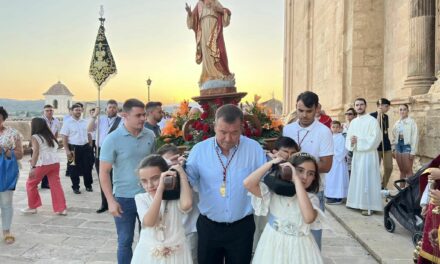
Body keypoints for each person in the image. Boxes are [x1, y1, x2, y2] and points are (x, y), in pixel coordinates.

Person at [185, 104, 267, 264]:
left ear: (242, 128)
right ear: (214, 126)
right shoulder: (199, 150)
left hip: (241, 228)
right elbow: (189, 180)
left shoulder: (254, 149)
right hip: (209, 227)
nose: (228, 139)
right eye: (223, 132)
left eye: (234, 132)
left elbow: (264, 182)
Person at [99, 99, 156, 264]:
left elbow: (154, 163)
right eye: (138, 115)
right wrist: (110, 201)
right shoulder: (112, 139)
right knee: (125, 241)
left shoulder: (150, 135)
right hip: (124, 198)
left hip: (149, 196)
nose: (143, 118)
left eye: (144, 114)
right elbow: (104, 172)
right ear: (124, 115)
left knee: (150, 239)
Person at [243, 153, 324, 264]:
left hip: (300, 249)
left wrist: (296, 179)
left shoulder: (311, 199)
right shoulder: (273, 193)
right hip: (272, 245)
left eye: (310, 174)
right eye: (300, 170)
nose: (305, 177)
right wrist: (272, 163)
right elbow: (248, 183)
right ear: (290, 169)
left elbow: (309, 218)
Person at [282, 91, 333, 249]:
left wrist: (303, 168)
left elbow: (327, 165)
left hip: (313, 190)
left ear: (317, 109)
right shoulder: (288, 129)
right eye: (300, 110)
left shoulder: (324, 132)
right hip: (290, 189)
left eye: (309, 111)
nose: (304, 115)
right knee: (291, 238)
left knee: (312, 240)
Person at [131, 155, 193, 263]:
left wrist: (181, 173)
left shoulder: (176, 198)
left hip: (177, 256)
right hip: (149, 257)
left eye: (155, 178)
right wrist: (160, 189)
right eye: (144, 181)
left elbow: (187, 204)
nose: (149, 185)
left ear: (167, 175)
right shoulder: (141, 199)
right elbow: (150, 222)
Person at [253, 136, 299, 252]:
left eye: (293, 153)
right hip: (265, 209)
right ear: (275, 152)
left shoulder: (296, 169)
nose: (289, 156)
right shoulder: (267, 164)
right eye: (285, 152)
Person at [157, 144, 200, 263]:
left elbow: (195, 192)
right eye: (169, 161)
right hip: (169, 232)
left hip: (190, 229)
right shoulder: (160, 178)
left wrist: (184, 170)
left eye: (176, 160)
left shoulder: (187, 172)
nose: (173, 165)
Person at [21, 118, 67, 215]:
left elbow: (36, 152)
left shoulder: (35, 137)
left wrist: (33, 167)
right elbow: (49, 149)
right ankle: (61, 208)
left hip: (43, 164)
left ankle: (33, 207)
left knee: (31, 184)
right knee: (56, 185)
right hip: (55, 163)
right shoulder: (50, 136)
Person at [186, 0, 235, 89]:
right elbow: (192, 22)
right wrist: (189, 13)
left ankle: (221, 73)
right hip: (204, 28)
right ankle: (209, 75)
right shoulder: (199, 4)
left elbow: (225, 15)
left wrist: (221, 11)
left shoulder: (215, 2)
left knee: (219, 50)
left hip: (215, 27)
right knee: (206, 51)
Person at [345, 98, 382, 216]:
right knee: (358, 177)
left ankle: (369, 205)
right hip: (357, 155)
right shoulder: (353, 122)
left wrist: (359, 141)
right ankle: (356, 203)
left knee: (368, 178)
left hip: (369, 155)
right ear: (355, 107)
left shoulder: (372, 121)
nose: (359, 107)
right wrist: (351, 141)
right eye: (357, 105)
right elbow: (348, 138)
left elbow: (376, 138)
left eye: (361, 104)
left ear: (365, 106)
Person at [87, 99, 122, 213]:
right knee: (103, 178)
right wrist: (94, 116)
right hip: (100, 150)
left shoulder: (121, 121)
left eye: (114, 107)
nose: (112, 109)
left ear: (117, 109)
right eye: (110, 107)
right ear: (106, 109)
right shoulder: (100, 119)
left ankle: (116, 202)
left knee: (114, 178)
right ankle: (104, 203)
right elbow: (89, 129)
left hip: (115, 151)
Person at [0, 106, 23, 245]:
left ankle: (6, 231)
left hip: (7, 172)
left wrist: (5, 150)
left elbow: (20, 154)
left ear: (3, 119)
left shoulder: (13, 133)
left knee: (6, 202)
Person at [60, 103, 94, 194]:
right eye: (76, 110)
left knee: (88, 167)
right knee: (72, 168)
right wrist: (67, 150)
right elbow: (64, 137)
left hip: (85, 147)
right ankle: (75, 187)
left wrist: (90, 145)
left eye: (79, 110)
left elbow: (89, 134)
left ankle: (88, 185)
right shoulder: (67, 123)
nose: (78, 112)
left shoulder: (85, 122)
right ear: (72, 111)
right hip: (72, 148)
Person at [391, 104, 418, 188]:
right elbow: (393, 136)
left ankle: (411, 192)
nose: (402, 111)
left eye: (404, 109)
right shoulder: (397, 123)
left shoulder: (411, 122)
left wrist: (413, 151)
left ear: (407, 111)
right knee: (402, 170)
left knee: (408, 170)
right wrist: (393, 149)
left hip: (407, 146)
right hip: (398, 146)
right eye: (400, 109)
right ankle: (401, 192)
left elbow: (415, 137)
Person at [370, 98, 393, 190]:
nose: (388, 108)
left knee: (389, 167)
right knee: (375, 168)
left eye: (388, 107)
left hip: (386, 145)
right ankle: (374, 186)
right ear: (380, 106)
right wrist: (379, 115)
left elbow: (385, 130)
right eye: (386, 106)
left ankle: (383, 185)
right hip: (376, 146)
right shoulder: (372, 116)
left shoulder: (386, 117)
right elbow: (375, 128)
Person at [325, 121, 349, 205]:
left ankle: (338, 197)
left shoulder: (341, 138)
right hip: (331, 161)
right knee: (331, 179)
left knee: (337, 179)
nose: (335, 129)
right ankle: (330, 195)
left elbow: (343, 150)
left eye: (337, 127)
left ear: (340, 128)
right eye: (333, 127)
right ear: (330, 128)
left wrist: (333, 152)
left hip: (338, 162)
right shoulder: (329, 137)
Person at [40, 104, 61, 189]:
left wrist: (55, 142)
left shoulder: (56, 121)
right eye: (47, 110)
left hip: (51, 145)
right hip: (42, 145)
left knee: (49, 163)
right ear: (43, 112)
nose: (49, 112)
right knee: (40, 164)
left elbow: (56, 132)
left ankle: (45, 183)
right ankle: (35, 181)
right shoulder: (40, 121)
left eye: (51, 110)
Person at [342, 108, 356, 176]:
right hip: (345, 151)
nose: (348, 115)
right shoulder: (342, 126)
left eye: (350, 114)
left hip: (354, 150)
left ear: (355, 115)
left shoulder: (357, 125)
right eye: (346, 114)